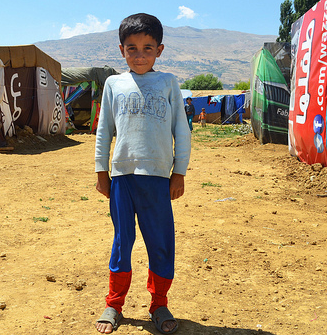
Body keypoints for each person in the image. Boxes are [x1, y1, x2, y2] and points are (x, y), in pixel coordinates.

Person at [94, 13, 191, 335]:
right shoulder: (113, 84)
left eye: (147, 48)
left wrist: (179, 172)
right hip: (122, 177)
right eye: (132, 48)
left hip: (158, 178)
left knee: (161, 242)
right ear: (122, 50)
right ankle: (114, 304)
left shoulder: (168, 82)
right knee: (122, 241)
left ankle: (159, 303)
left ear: (159, 50)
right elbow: (104, 130)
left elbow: (182, 129)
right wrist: (101, 170)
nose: (139, 55)